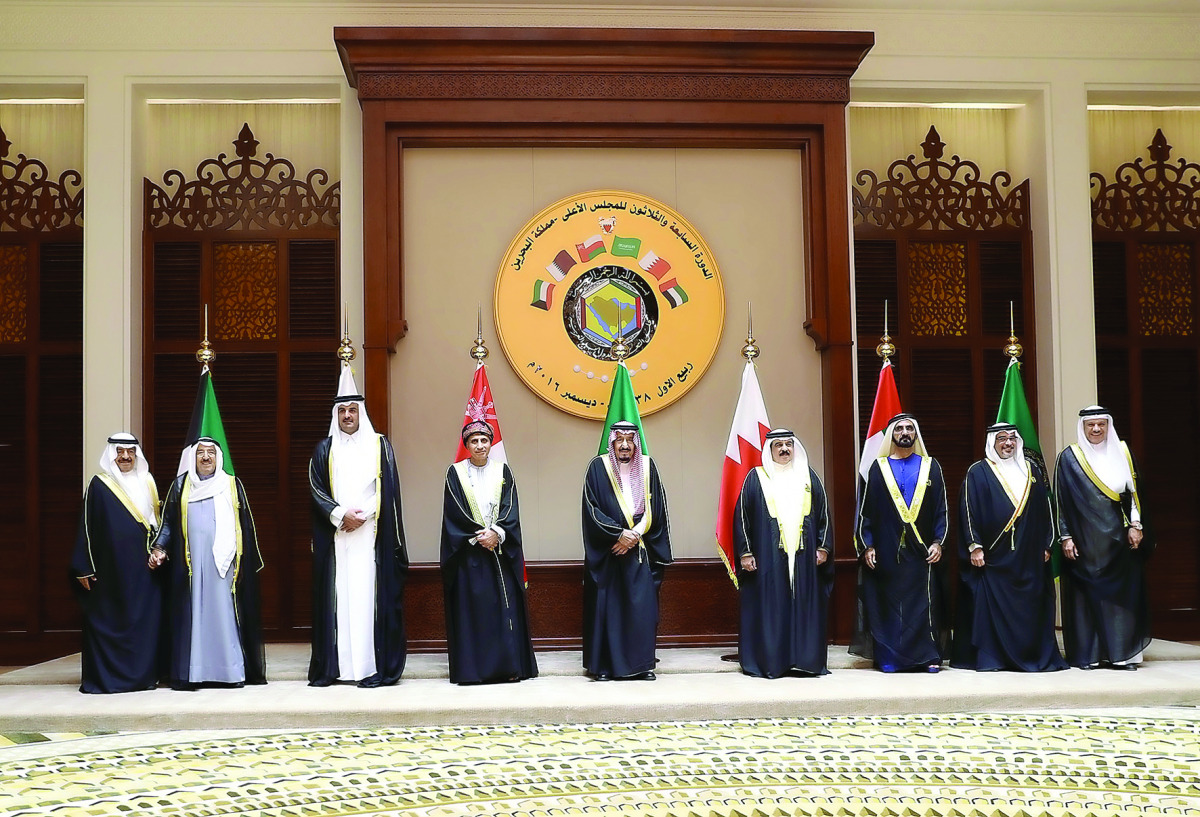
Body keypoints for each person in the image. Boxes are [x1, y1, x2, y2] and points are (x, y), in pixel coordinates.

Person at [308, 375, 408, 687]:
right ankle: (339, 669)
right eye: (342, 411)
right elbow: (316, 487)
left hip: (369, 534)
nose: (347, 416)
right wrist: (341, 515)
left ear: (360, 413)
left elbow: (387, 488)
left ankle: (368, 667)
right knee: (340, 598)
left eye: (352, 410)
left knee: (367, 599)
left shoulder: (379, 446)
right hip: (337, 536)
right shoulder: (324, 449)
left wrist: (362, 514)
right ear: (336, 415)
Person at [152, 437, 265, 689]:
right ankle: (194, 673)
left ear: (218, 457)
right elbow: (168, 522)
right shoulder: (181, 485)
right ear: (193, 458)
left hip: (222, 563)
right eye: (200, 453)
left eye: (211, 453)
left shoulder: (231, 485)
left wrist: (245, 561)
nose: (205, 457)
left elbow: (245, 525)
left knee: (223, 614)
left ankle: (229, 673)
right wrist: (159, 548)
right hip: (190, 565)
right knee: (193, 616)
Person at [952, 424, 1066, 672]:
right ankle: (993, 659)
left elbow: (1046, 510)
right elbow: (968, 510)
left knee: (1029, 609)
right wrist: (975, 546)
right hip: (993, 558)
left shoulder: (1032, 470)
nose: (1008, 443)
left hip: (1029, 557)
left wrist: (1047, 544)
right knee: (990, 610)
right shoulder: (978, 471)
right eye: (1002, 438)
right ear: (992, 442)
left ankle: (1029, 655)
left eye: (1012, 438)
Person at [1055, 406, 1153, 670]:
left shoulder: (1123, 452)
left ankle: (1123, 655)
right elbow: (1061, 501)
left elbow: (1133, 495)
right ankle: (1089, 655)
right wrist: (1065, 536)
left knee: (1122, 600)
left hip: (1119, 542)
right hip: (1084, 543)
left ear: (1108, 425)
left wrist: (1136, 525)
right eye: (1091, 425)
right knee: (1086, 600)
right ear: (1083, 427)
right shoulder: (1069, 458)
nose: (1096, 429)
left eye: (1101, 424)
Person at [440, 419, 537, 684]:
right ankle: (475, 671)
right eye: (474, 441)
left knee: (503, 613)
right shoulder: (455, 473)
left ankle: (508, 669)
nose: (480, 445)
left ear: (490, 443)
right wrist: (480, 535)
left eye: (484, 440)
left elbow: (510, 507)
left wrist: (497, 532)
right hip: (470, 553)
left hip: (500, 552)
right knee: (475, 614)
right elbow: (454, 511)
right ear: (467, 445)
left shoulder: (503, 471)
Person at [852, 413, 950, 672]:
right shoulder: (878, 468)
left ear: (915, 434)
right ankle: (890, 658)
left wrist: (938, 542)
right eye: (899, 429)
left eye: (909, 428)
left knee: (924, 603)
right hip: (887, 549)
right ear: (891, 436)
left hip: (922, 549)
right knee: (889, 603)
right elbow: (866, 512)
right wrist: (868, 545)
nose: (904, 433)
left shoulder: (931, 466)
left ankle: (928, 656)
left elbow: (941, 509)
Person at [734, 428, 832, 678]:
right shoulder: (755, 478)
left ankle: (804, 661)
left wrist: (823, 547)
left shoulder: (809, 476)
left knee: (803, 603)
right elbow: (742, 517)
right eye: (778, 445)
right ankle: (772, 662)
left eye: (788, 444)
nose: (784, 449)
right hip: (768, 556)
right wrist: (745, 552)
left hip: (804, 556)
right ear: (770, 450)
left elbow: (824, 515)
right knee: (772, 605)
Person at [70, 433, 164, 693]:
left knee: (144, 622)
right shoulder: (99, 485)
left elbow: (156, 523)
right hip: (109, 569)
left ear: (136, 455)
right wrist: (84, 566)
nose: (125, 456)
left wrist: (159, 551)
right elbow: (86, 526)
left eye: (130, 452)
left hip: (144, 569)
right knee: (110, 620)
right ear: (112, 455)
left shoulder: (148, 481)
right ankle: (109, 679)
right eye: (120, 451)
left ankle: (144, 678)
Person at [581, 420, 672, 681]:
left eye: (629, 440)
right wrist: (618, 534)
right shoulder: (598, 467)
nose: (624, 445)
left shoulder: (648, 467)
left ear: (636, 443)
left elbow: (657, 508)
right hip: (609, 552)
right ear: (612, 442)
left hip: (639, 551)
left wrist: (635, 534)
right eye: (619, 439)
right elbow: (591, 508)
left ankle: (641, 666)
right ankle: (604, 668)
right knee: (608, 611)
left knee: (641, 612)